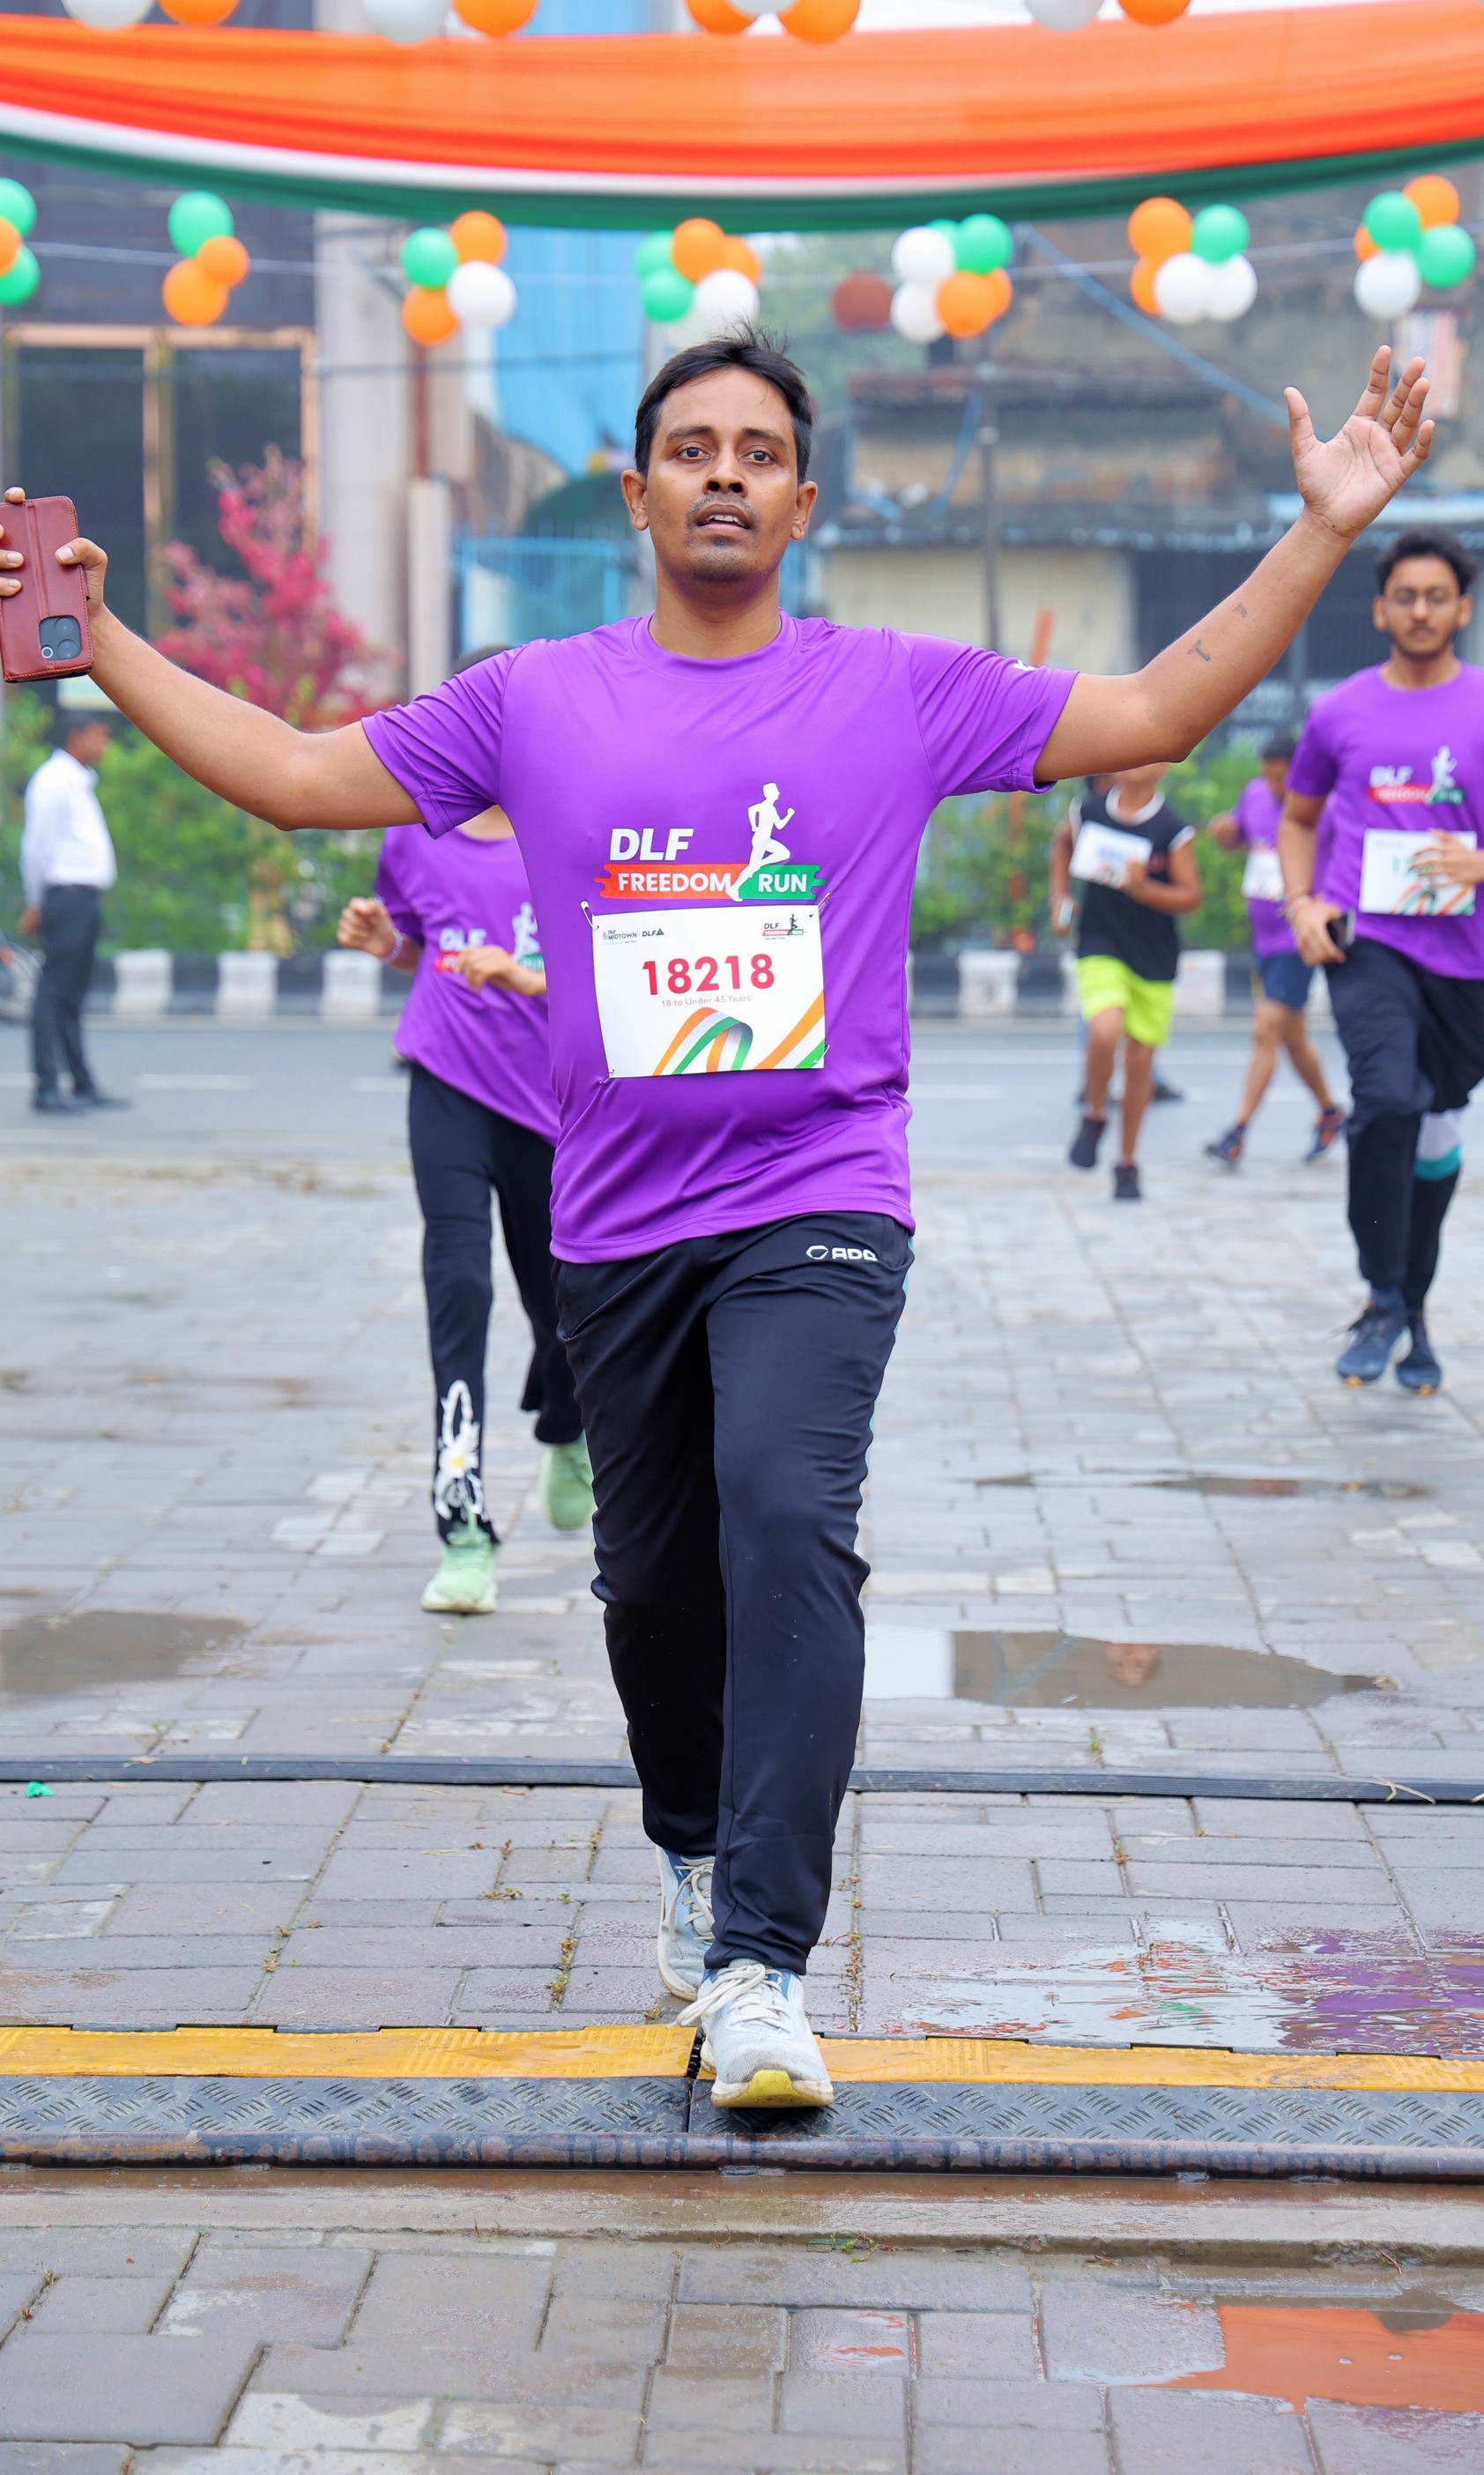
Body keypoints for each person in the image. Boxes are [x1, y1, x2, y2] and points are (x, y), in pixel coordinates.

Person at [7, 334, 1430, 2106]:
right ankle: (687, 1840)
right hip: (613, 1224)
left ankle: (760, 1966)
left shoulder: (891, 691)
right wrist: (96, 636)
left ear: (803, 501)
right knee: (653, 1593)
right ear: (638, 492)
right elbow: (296, 774)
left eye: (759, 451)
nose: (726, 475)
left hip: (817, 1195)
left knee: (784, 1517)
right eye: (692, 449)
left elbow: (1148, 712)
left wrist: (1321, 529)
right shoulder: (532, 701)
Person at [337, 763, 593, 1616]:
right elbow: (421, 948)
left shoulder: (569, 826)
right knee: (459, 1291)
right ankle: (464, 1530)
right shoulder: (412, 836)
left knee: (561, 1304)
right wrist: (388, 944)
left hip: (546, 1106)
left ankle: (569, 1426)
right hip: (443, 1083)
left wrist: (527, 976)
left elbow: (614, 958)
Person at [1281, 526, 1484, 1393]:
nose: (1420, 611)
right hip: (1367, 943)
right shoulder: (1340, 712)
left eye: (1436, 597)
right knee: (1386, 1099)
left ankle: (1411, 1305)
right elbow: (1298, 819)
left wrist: (1479, 863)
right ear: (1379, 610)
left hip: (1465, 963)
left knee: (1435, 1130)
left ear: (1462, 609)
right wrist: (1301, 902)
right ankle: (1380, 1294)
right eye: (1405, 597)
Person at [1051, 760, 1202, 1200]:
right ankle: (1095, 1112)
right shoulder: (1088, 812)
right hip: (1100, 943)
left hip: (1153, 956)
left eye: (1150, 754)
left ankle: (1127, 1162)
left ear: (1166, 766)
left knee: (1140, 1066)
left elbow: (1191, 896)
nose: (1137, 761)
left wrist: (1145, 889)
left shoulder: (1172, 829)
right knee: (1104, 1027)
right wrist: (1059, 898)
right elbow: (1062, 844)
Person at [1204, 729, 1346, 1166]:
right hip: (1263, 935)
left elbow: (1348, 862)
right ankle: (1330, 1112)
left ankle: (1238, 1132)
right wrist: (1226, 833)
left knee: (1266, 1029)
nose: (1272, 785)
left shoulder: (1325, 806)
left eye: (1280, 777)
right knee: (1293, 1037)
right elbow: (1241, 837)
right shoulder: (1254, 795)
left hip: (1297, 936)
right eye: (1267, 776)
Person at [18, 708, 129, 1116]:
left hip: (83, 898)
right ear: (77, 736)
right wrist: (36, 901)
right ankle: (46, 1087)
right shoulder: (54, 781)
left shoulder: (79, 782)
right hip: (64, 896)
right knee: (52, 992)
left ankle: (81, 1082)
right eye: (100, 736)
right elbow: (37, 847)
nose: (105, 745)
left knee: (72, 995)